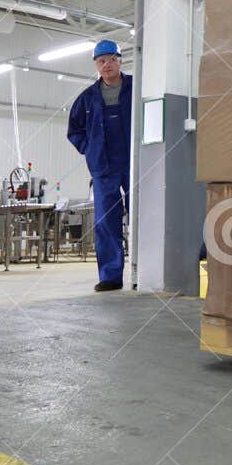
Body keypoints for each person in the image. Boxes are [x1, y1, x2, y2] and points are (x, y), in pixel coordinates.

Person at [67, 39, 132, 293]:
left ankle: (147, 270)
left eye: (111, 60)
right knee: (106, 220)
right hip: (103, 167)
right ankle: (111, 276)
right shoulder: (87, 98)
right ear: (96, 65)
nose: (107, 65)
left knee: (145, 215)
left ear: (119, 60)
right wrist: (90, 150)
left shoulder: (136, 88)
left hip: (134, 162)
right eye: (101, 61)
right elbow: (74, 131)